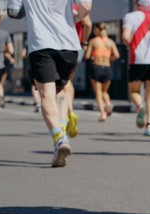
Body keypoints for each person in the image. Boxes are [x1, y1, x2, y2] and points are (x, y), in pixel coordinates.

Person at [8, 0, 92, 167]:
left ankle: (59, 138)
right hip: (69, 47)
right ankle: (63, 130)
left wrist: (31, 10)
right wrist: (75, 17)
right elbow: (86, 7)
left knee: (46, 94)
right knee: (59, 91)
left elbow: (12, 11)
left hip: (41, 44)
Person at [122, 0, 150, 137]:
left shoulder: (130, 16)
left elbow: (125, 36)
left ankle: (140, 107)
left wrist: (130, 45)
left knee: (134, 91)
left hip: (137, 59)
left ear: (136, 2)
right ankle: (149, 126)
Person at [63, 3, 93, 137]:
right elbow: (88, 24)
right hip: (76, 47)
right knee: (69, 80)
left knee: (60, 81)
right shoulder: (77, 6)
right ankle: (70, 110)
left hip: (58, 45)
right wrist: (85, 42)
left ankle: (67, 111)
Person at [84, 22, 120, 122]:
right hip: (107, 67)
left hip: (96, 67)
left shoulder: (93, 41)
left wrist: (89, 52)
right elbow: (117, 55)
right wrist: (108, 58)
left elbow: (87, 56)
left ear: (98, 30)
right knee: (104, 91)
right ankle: (108, 105)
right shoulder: (110, 42)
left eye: (95, 29)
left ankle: (102, 112)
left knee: (98, 93)